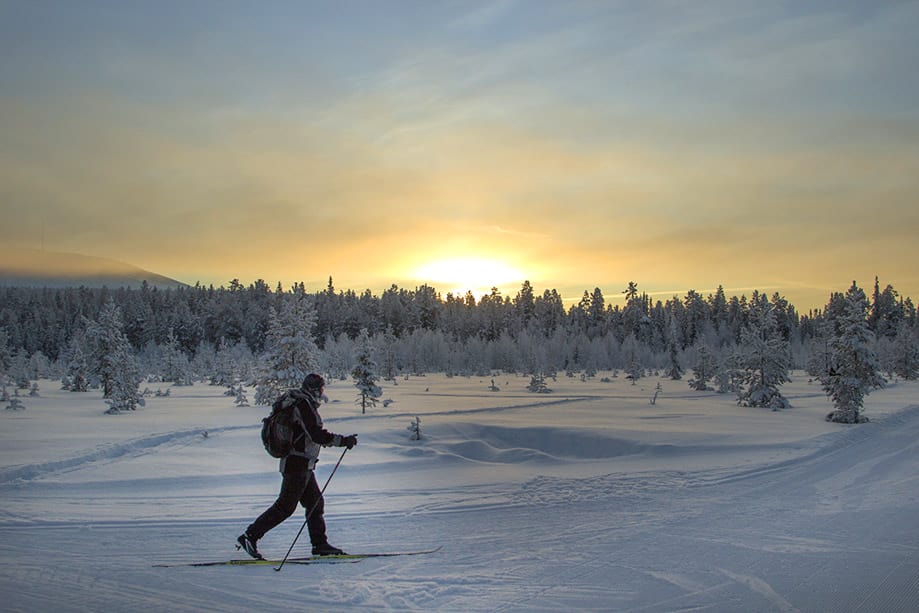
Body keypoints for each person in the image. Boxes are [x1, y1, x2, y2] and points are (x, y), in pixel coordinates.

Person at [237, 373, 357, 559]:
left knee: (315, 503)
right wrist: (342, 441)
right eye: (320, 389)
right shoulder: (303, 405)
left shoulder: (299, 402)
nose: (321, 393)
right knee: (285, 507)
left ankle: (320, 545)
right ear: (314, 389)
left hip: (302, 464)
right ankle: (250, 536)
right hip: (297, 464)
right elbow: (315, 434)